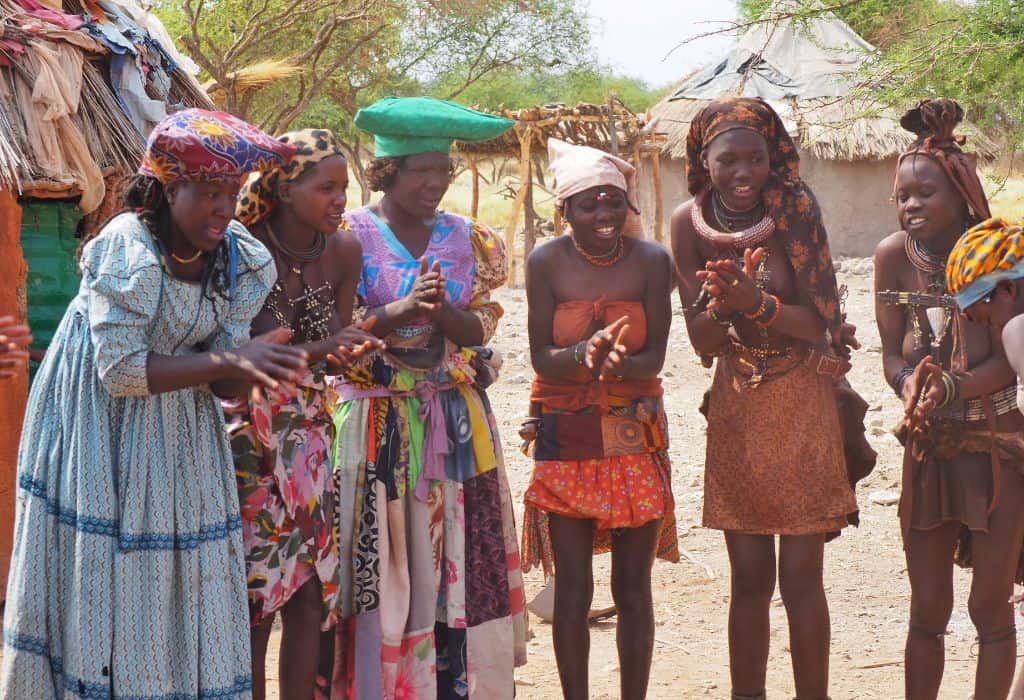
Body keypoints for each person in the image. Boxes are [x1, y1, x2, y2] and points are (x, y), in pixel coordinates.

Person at [1, 109, 306, 698]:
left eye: (233, 193)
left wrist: (250, 367)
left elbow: (225, 387)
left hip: (182, 435)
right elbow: (119, 371)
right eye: (210, 192)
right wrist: (230, 361)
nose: (224, 208)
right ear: (170, 188)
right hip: (95, 425)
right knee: (103, 573)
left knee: (179, 578)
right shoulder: (126, 247)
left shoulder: (241, 259)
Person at [327, 96, 527, 699]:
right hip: (375, 421)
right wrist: (401, 310)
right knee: (384, 554)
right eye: (422, 170)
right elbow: (338, 335)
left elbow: (479, 329)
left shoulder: (469, 239)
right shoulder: (348, 236)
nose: (436, 183)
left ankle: (451, 681)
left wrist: (446, 313)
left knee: (455, 555)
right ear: (388, 172)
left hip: (454, 421)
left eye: (443, 170)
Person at [670, 97, 860, 700]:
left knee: (803, 577)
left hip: (803, 396)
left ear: (774, 158)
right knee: (749, 577)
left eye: (756, 158)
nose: (744, 172)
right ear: (706, 158)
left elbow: (821, 325)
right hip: (737, 403)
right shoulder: (686, 223)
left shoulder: (796, 209)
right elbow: (700, 340)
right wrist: (722, 304)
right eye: (729, 159)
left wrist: (758, 304)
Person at [519, 138, 677, 700]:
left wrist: (618, 363)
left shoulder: (653, 261)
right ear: (565, 211)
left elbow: (656, 356)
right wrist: (582, 355)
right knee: (573, 590)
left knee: (633, 587)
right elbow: (540, 355)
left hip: (634, 433)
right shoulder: (545, 262)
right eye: (589, 204)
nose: (604, 214)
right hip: (566, 435)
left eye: (613, 201)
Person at [231, 129, 384, 700]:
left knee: (306, 595)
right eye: (327, 187)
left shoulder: (343, 250)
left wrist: (349, 349)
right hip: (247, 437)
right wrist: (326, 350)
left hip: (312, 436)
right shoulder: (244, 249)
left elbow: (332, 350)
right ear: (286, 188)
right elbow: (237, 357)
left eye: (345, 187)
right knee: (254, 600)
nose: (341, 199)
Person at [889, 161, 1024, 699]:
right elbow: (891, 356)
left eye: (927, 192)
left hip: (997, 451)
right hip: (929, 448)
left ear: (963, 193)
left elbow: (1005, 368)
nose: (913, 204)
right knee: (927, 607)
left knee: (990, 605)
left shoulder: (1012, 320)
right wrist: (910, 384)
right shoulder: (891, 260)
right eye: (903, 195)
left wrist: (950, 388)